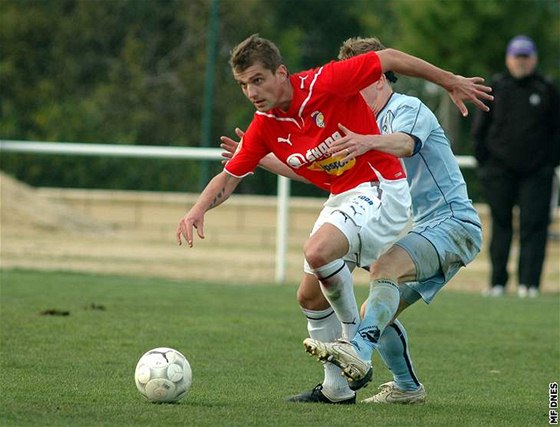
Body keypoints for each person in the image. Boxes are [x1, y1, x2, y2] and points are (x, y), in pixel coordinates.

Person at [177, 34, 492, 404]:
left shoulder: (403, 108)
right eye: (243, 84)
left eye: (256, 80)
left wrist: (445, 84)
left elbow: (405, 144)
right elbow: (314, 166)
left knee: (368, 265)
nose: (250, 91)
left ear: (372, 76)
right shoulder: (313, 118)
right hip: (405, 222)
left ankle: (356, 347)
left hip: (447, 220)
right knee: (335, 299)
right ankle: (373, 388)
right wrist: (215, 193)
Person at [472, 35, 560, 298]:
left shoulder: (547, 89)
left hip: (537, 172)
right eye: (517, 57)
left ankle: (529, 285)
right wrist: (485, 165)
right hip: (499, 171)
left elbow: (557, 131)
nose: (521, 62)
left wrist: (548, 164)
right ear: (509, 59)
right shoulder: (496, 88)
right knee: (501, 224)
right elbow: (480, 131)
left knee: (534, 226)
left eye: (526, 57)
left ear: (533, 59)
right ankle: (497, 282)